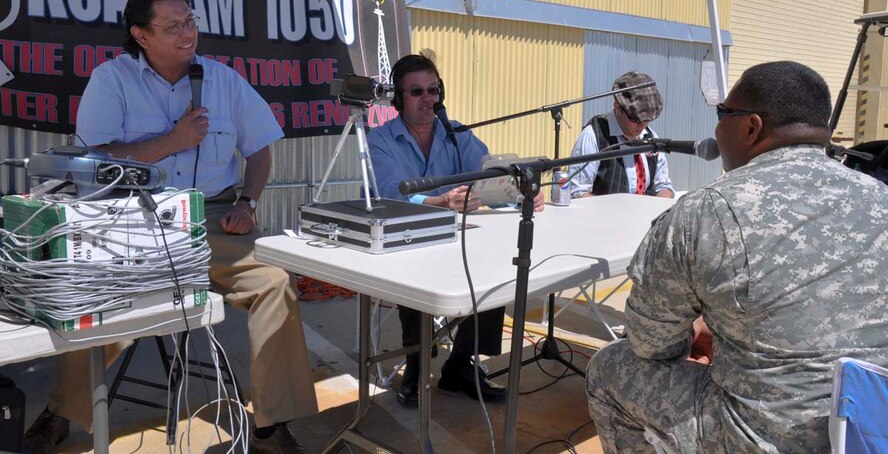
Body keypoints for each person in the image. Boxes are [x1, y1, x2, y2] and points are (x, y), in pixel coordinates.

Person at [23, 0, 318, 454]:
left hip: (214, 220)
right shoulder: (111, 79)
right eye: (173, 26)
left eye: (191, 22)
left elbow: (260, 148)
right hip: (134, 223)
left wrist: (248, 203)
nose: (188, 34)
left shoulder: (222, 79)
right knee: (94, 299)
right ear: (142, 35)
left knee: (276, 285)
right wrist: (171, 142)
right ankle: (62, 412)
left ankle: (269, 424)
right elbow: (94, 159)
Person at [585, 61, 888, 453]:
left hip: (762, 439)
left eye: (722, 113)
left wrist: (697, 330)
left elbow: (649, 344)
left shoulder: (705, 212)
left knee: (610, 367)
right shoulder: (880, 197)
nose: (715, 128)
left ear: (751, 127)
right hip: (869, 431)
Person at [367, 51, 544, 407]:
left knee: (499, 269)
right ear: (399, 99)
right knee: (414, 277)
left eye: (433, 90)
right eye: (417, 91)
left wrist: (519, 195)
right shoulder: (379, 140)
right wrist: (439, 202)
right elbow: (387, 195)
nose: (428, 99)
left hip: (457, 239)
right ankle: (416, 367)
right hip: (407, 239)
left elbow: (491, 176)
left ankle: (461, 364)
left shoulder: (456, 133)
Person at [568, 71, 674, 198]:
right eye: (635, 119)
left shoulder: (651, 137)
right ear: (617, 106)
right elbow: (577, 192)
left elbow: (663, 186)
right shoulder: (593, 136)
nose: (642, 125)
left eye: (648, 119)